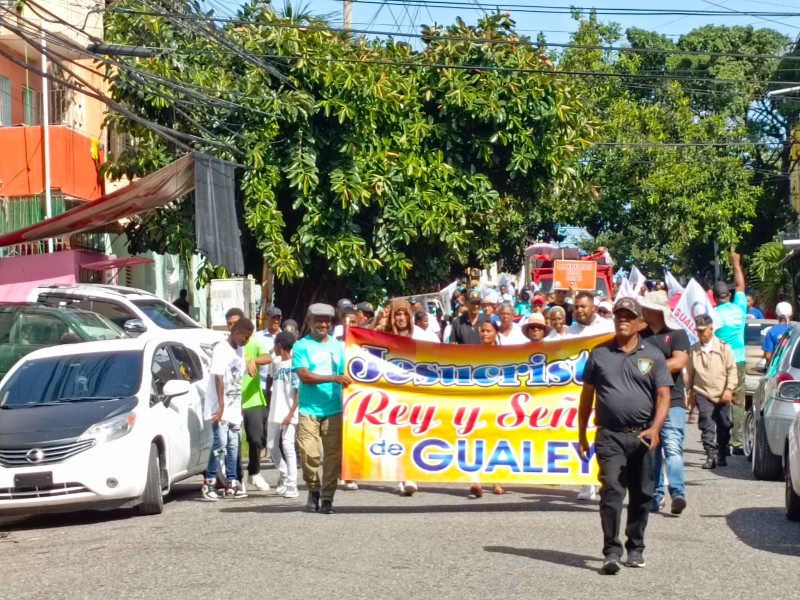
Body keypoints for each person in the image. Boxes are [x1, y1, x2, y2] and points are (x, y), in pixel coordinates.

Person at [577, 298, 672, 574]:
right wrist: (582, 434)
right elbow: (586, 397)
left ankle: (636, 547)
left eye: (629, 316)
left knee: (642, 493)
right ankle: (611, 551)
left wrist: (655, 428)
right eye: (619, 315)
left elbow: (664, 395)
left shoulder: (653, 355)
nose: (622, 320)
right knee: (611, 491)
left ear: (640, 322)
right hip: (609, 435)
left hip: (643, 436)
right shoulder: (599, 354)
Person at [293, 303, 352, 514]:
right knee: (310, 455)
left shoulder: (338, 346)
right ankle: (313, 489)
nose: (323, 324)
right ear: (309, 322)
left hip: (334, 409)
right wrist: (333, 378)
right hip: (309, 409)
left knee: (332, 457)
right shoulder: (301, 346)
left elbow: (350, 373)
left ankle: (327, 498)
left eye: (327, 320)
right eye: (318, 320)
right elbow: (305, 376)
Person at [639, 292, 690, 515]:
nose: (643, 312)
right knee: (651, 450)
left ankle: (677, 492)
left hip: (674, 400)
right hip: (645, 402)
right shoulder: (640, 335)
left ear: (657, 312)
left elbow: (679, 361)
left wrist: (649, 370)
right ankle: (655, 495)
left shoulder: (677, 334)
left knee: (672, 447)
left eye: (646, 308)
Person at [201, 317, 256, 501]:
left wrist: (237, 406)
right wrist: (222, 406)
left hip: (233, 406)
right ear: (237, 332)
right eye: (246, 337)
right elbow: (218, 377)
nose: (247, 341)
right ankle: (209, 482)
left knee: (234, 445)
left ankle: (231, 482)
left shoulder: (239, 350)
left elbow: (236, 379)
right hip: (219, 407)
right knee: (220, 444)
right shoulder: (221, 348)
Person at [228, 308, 275, 493]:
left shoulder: (253, 343)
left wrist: (253, 361)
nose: (233, 327)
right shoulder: (225, 346)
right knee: (234, 443)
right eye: (230, 323)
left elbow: (268, 357)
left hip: (253, 399)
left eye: (236, 323)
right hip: (232, 401)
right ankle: (236, 479)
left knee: (256, 439)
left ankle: (254, 472)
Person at [375, 299, 418, 495]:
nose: (401, 318)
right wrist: (379, 319)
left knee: (412, 433)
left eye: (404, 314)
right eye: (397, 314)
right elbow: (365, 339)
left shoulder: (422, 335)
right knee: (395, 434)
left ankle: (409, 475)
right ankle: (401, 475)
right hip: (391, 391)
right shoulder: (386, 335)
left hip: (415, 391)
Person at [687, 313, 737, 469]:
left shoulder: (723, 347)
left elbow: (732, 371)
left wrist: (729, 389)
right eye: (698, 331)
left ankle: (722, 450)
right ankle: (710, 455)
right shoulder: (693, 350)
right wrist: (688, 393)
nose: (701, 334)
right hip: (702, 392)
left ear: (711, 329)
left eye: (703, 330)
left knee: (724, 425)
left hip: (722, 392)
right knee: (707, 423)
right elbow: (689, 374)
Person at [712, 249, 747, 454]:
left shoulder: (714, 315)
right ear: (730, 295)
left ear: (715, 298)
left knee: (720, 402)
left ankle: (722, 442)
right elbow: (741, 285)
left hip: (721, 363)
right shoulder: (740, 308)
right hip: (740, 361)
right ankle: (738, 443)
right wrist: (736, 262)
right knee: (738, 403)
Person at [469, 320, 506, 498]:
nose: (485, 334)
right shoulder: (473, 354)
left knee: (496, 441)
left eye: (488, 331)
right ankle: (476, 481)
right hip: (478, 402)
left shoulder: (506, 354)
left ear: (496, 333)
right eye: (482, 331)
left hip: (498, 402)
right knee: (477, 442)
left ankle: (496, 480)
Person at [266, 331, 301, 498]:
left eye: (275, 345)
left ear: (279, 345)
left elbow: (298, 392)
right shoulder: (276, 363)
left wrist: (291, 413)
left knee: (288, 446)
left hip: (289, 411)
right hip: (275, 410)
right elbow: (270, 384)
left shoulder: (295, 365)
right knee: (271, 445)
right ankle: (284, 473)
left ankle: (292, 484)